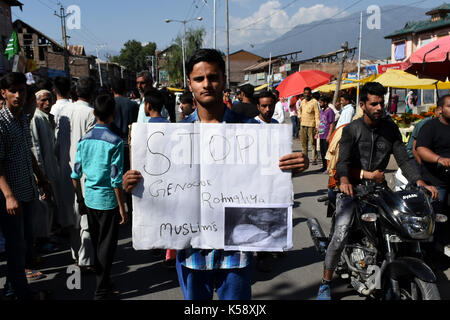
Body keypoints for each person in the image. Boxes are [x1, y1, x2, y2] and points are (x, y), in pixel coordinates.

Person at [123, 48, 309, 300]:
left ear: (223, 79)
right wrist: (134, 183)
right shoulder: (174, 136)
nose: (206, 84)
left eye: (213, 77)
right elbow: (157, 187)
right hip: (190, 253)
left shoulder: (252, 131)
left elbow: (271, 181)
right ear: (189, 83)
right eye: (199, 79)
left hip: (236, 251)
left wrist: (293, 167)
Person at [317, 82, 438, 300]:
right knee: (341, 232)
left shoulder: (389, 128)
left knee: (397, 224)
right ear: (363, 105)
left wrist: (419, 181)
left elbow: (404, 158)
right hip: (353, 189)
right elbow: (342, 162)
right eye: (374, 103)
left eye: (381, 103)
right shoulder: (352, 130)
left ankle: (389, 267)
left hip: (379, 189)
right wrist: (345, 181)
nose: (379, 107)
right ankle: (325, 282)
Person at [0, 72, 52, 300]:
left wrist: (40, 177)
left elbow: (26, 151)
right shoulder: (1, 123)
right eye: (13, 91)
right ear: (3, 93)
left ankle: (14, 289)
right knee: (15, 246)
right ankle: (19, 292)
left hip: (27, 189)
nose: (19, 95)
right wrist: (8, 195)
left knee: (24, 244)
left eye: (22, 90)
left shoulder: (22, 117)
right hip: (11, 197)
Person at [71, 94, 127, 300]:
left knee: (97, 243)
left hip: (90, 199)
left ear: (94, 113)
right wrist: (122, 207)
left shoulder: (83, 140)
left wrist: (80, 199)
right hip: (108, 201)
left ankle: (104, 280)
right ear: (113, 115)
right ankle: (101, 289)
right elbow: (115, 179)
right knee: (107, 245)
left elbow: (75, 175)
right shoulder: (115, 142)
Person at [56, 76, 97, 272]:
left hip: (65, 171)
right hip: (85, 174)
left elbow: (57, 144)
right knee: (86, 219)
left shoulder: (64, 112)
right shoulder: (91, 114)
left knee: (73, 219)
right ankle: (85, 260)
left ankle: (76, 256)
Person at [416, 95, 450, 253]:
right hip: (435, 182)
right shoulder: (430, 127)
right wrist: (439, 159)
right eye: (449, 106)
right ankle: (428, 253)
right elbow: (420, 149)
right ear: (440, 110)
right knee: (434, 220)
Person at [30, 89, 62, 254]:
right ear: (36, 101)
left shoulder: (47, 118)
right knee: (43, 205)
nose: (47, 103)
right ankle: (42, 240)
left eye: (49, 100)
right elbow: (36, 149)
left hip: (51, 168)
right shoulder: (36, 118)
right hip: (44, 172)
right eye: (43, 100)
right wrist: (41, 176)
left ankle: (49, 235)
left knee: (49, 205)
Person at [298, 87, 320, 165]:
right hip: (303, 124)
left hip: (311, 125)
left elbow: (317, 114)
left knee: (312, 143)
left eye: (308, 93)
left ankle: (314, 158)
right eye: (305, 93)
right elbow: (299, 110)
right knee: (303, 142)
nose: (306, 95)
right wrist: (299, 116)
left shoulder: (314, 102)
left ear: (310, 94)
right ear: (303, 94)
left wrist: (317, 126)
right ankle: (305, 158)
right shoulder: (303, 101)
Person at [317, 95, 335, 172]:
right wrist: (317, 133)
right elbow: (321, 122)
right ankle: (324, 167)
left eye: (321, 102)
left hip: (326, 135)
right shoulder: (322, 111)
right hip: (321, 135)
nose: (319, 104)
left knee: (327, 152)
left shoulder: (330, 111)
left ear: (325, 102)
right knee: (322, 152)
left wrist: (329, 135)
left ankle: (328, 168)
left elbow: (332, 124)